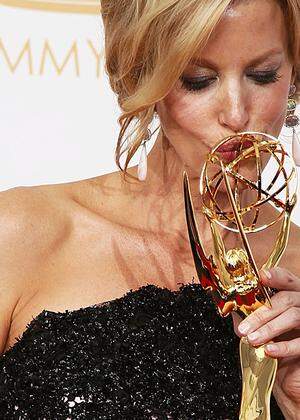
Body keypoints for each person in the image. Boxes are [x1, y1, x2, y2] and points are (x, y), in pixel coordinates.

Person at [0, 0, 299, 418]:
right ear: (145, 77)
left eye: (262, 75)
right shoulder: (21, 234)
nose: (236, 114)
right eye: (198, 80)